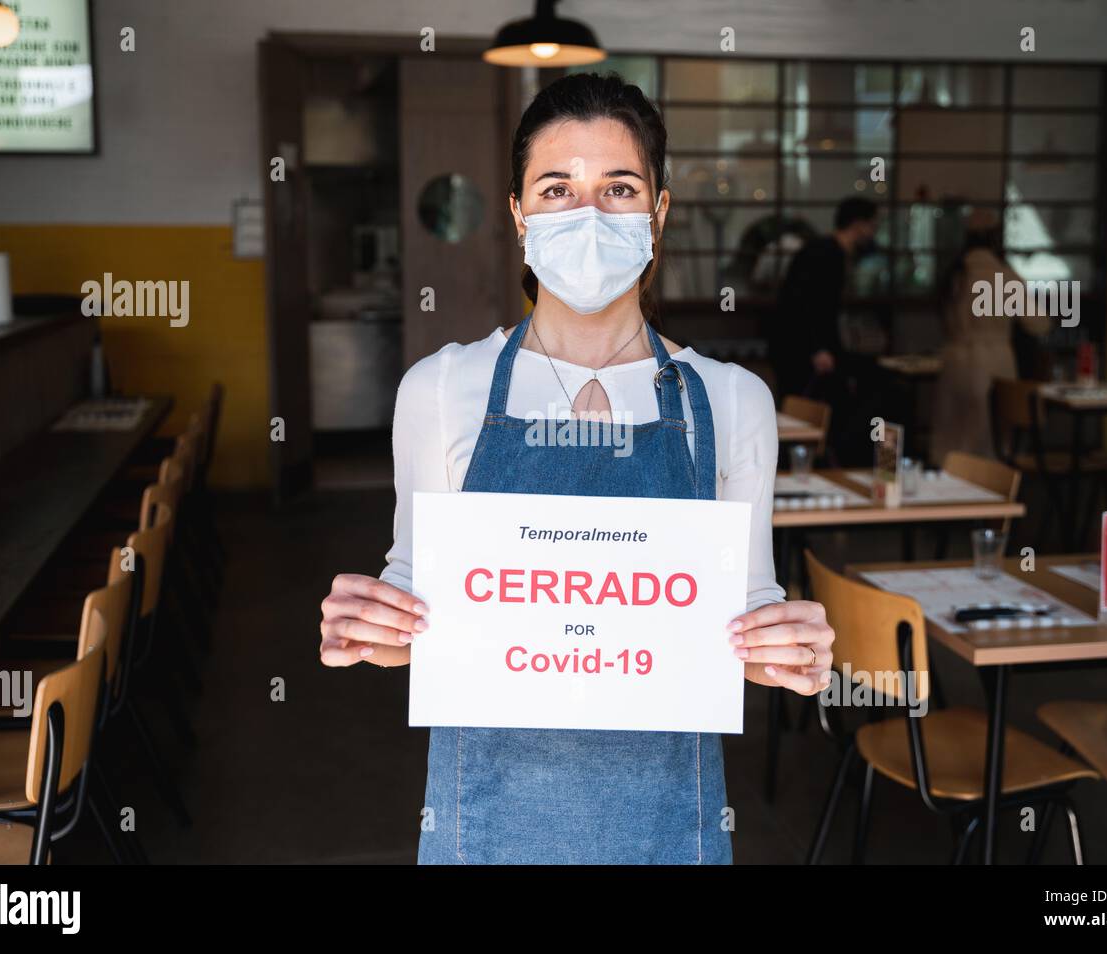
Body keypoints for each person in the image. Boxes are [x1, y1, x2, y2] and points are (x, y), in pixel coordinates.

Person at [317, 72, 835, 865]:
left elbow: (746, 618)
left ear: (657, 213)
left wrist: (792, 652)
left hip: (670, 826)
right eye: (557, 188)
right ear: (520, 214)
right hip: (482, 824)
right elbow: (419, 617)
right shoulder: (443, 389)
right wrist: (368, 628)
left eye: (618, 187)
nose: (587, 214)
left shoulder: (732, 402)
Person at [929, 209, 1051, 465]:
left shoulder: (954, 275)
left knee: (950, 440)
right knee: (985, 445)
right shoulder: (1005, 277)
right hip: (993, 362)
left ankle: (942, 498)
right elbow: (1038, 323)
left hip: (953, 361)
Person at [769, 196, 880, 401]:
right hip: (799, 348)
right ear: (858, 225)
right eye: (872, 225)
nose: (874, 232)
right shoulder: (826, 254)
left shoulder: (827, 250)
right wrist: (817, 349)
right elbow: (804, 304)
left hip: (803, 345)